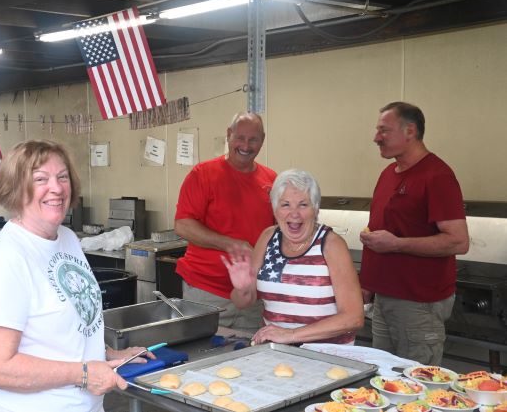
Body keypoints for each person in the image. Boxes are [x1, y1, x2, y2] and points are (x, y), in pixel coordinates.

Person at [0, 140, 154, 412]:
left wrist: (109, 355)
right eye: (40, 179)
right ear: (15, 189)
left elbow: (68, 327)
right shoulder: (5, 260)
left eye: (62, 177)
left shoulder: (66, 239)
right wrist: (85, 374)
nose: (56, 188)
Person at [359, 102, 469, 365]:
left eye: (383, 130)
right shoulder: (388, 174)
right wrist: (367, 284)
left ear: (410, 131)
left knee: (418, 384)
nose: (376, 138)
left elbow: (459, 241)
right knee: (383, 380)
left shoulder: (437, 176)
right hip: (384, 300)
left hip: (418, 305)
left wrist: (396, 244)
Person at [222, 169, 364, 345]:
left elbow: (354, 318)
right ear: (275, 210)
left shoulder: (331, 245)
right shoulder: (268, 238)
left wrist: (291, 335)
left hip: (327, 357)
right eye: (285, 204)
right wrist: (243, 288)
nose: (294, 213)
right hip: (278, 352)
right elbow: (243, 302)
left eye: (303, 204)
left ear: (316, 209)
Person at [174, 112, 277, 333]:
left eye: (253, 139)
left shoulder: (272, 181)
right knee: (200, 357)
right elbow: (182, 224)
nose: (246, 146)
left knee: (249, 360)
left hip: (251, 296)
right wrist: (231, 244)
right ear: (229, 135)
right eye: (240, 137)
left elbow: (279, 232)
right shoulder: (203, 174)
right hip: (206, 292)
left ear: (263, 140)